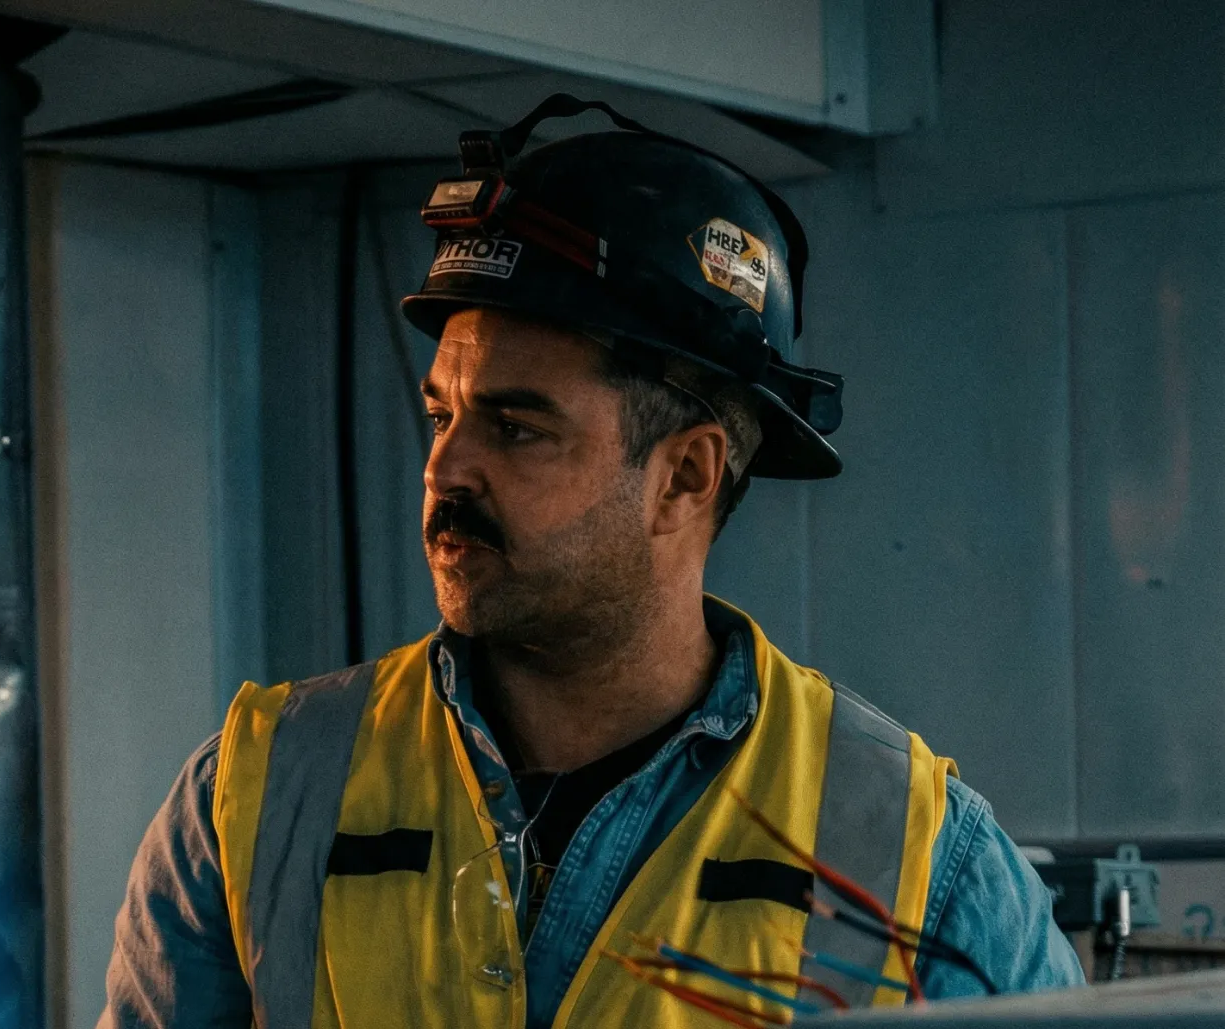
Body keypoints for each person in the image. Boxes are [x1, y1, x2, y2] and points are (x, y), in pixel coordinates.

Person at [98, 96, 1084, 1029]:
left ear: (684, 477)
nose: (444, 470)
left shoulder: (916, 855)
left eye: (516, 427)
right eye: (441, 415)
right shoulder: (258, 796)